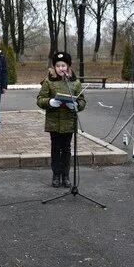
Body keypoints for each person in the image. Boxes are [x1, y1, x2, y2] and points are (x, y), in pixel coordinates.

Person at [36, 51, 86, 188]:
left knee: (67, 149)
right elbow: (40, 99)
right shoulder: (48, 81)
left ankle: (66, 175)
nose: (61, 68)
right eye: (58, 66)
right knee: (55, 148)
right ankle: (56, 175)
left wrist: (76, 105)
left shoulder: (75, 83)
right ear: (54, 67)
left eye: (63, 65)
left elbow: (82, 101)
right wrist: (50, 102)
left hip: (69, 122)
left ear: (68, 66)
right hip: (54, 122)